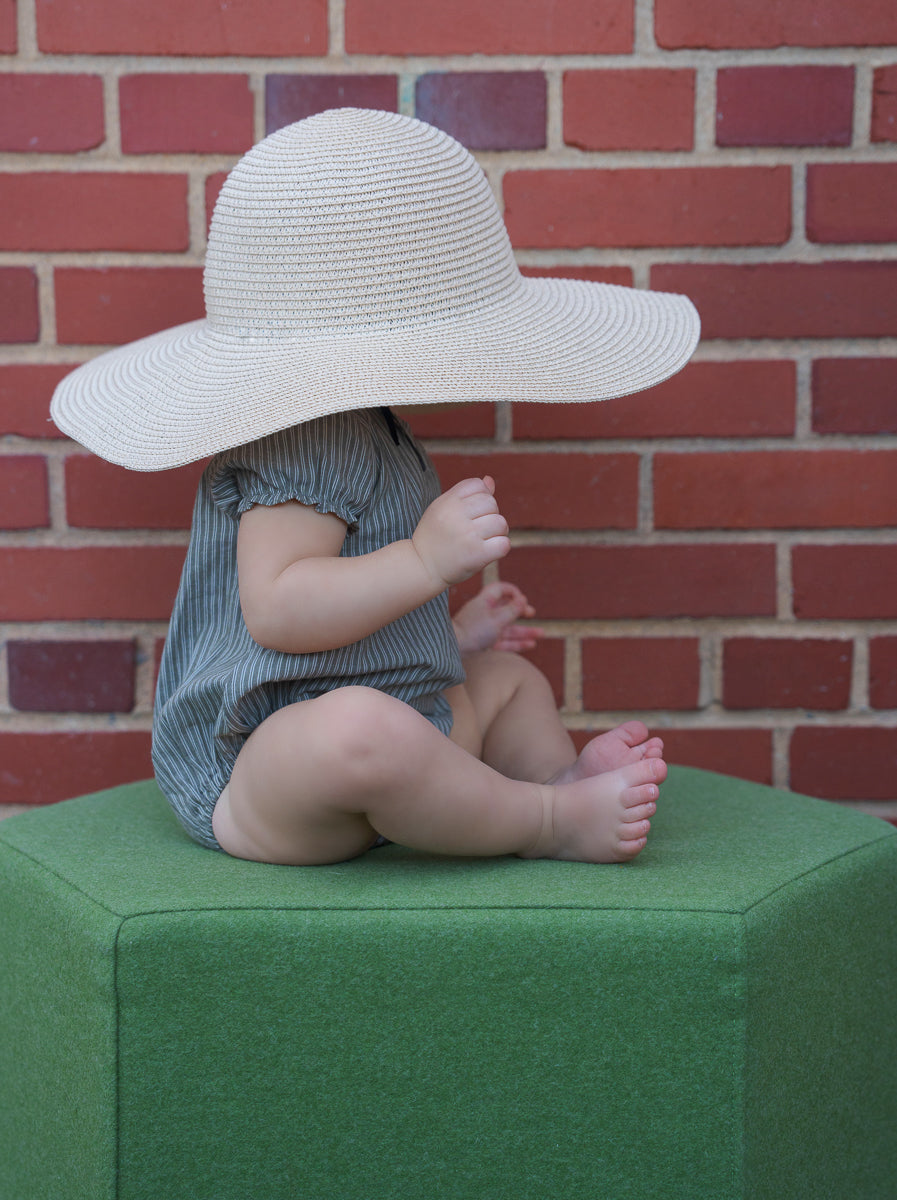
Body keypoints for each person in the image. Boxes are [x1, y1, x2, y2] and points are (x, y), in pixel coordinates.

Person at [50, 108, 700, 867]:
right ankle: (546, 819)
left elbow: (352, 613)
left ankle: (550, 777)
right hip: (271, 769)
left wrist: (445, 636)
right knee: (358, 727)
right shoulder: (300, 438)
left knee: (507, 681)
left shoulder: (367, 426)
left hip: (398, 731)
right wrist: (425, 562)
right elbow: (279, 609)